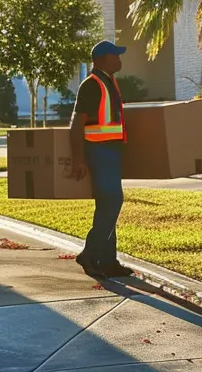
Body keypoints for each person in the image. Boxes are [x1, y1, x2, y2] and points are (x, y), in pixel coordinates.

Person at [66, 40, 134, 278]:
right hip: (98, 151)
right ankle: (89, 253)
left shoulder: (108, 81)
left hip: (111, 151)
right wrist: (78, 160)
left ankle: (107, 261)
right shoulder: (92, 85)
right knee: (112, 202)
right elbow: (76, 126)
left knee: (108, 206)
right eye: (116, 55)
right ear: (103, 59)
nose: (119, 59)